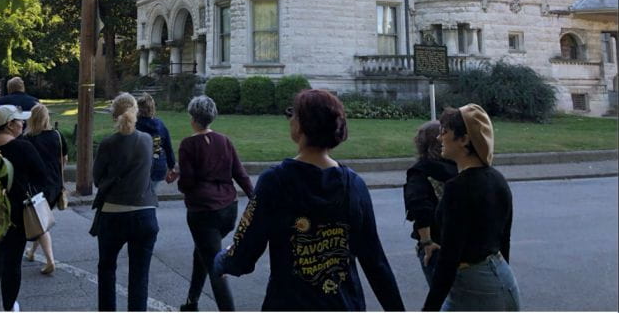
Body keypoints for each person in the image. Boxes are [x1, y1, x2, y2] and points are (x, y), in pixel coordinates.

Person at [214, 89, 404, 311]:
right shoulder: (354, 185)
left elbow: (242, 257)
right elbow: (375, 263)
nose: (290, 119)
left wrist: (220, 261)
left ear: (301, 125)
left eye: (293, 114)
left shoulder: (275, 181)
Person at [423, 104, 520, 311]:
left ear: (464, 139)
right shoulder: (497, 179)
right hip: (502, 281)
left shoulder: (458, 188)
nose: (439, 138)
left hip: (476, 290)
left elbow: (449, 259)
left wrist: (429, 309)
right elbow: (503, 241)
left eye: (444, 132)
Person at [177, 95, 253, 312]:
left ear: (193, 118)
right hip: (228, 209)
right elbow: (240, 173)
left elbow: (187, 183)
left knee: (215, 267)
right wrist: (255, 197)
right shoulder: (224, 140)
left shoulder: (188, 145)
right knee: (202, 252)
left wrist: (180, 178)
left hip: (204, 212)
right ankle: (191, 302)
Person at [0, 104, 50, 312]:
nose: (23, 123)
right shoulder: (24, 148)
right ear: (9, 125)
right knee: (12, 266)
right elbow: (42, 177)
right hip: (15, 218)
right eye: (19, 120)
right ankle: (9, 306)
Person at [93, 93, 159, 311]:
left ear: (114, 115)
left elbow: (97, 179)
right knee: (140, 275)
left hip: (113, 212)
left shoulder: (107, 144)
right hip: (144, 212)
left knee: (106, 269)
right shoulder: (147, 140)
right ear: (136, 112)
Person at [403, 121, 457, 286]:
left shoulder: (420, 171)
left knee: (441, 294)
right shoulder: (458, 167)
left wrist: (426, 242)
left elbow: (419, 207)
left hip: (436, 244)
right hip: (460, 242)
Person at [24, 103, 68, 275]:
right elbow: (64, 159)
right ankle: (31, 252)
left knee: (41, 223)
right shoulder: (57, 135)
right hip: (55, 184)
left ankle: (50, 261)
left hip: (36, 186)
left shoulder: (28, 139)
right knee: (41, 219)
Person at [135, 93, 178, 194]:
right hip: (158, 166)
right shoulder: (160, 125)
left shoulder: (135, 126)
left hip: (140, 167)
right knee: (151, 193)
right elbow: (168, 147)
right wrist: (171, 166)